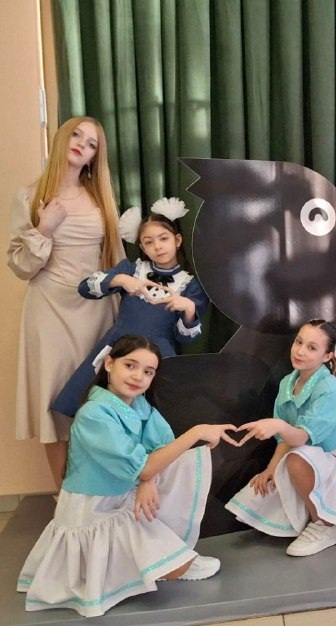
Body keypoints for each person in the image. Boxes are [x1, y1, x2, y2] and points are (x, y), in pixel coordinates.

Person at [17, 335, 236, 617]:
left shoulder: (140, 406)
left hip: (122, 495)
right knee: (170, 557)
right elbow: (145, 465)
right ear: (109, 364)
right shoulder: (94, 414)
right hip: (95, 506)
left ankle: (160, 558)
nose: (138, 377)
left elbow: (160, 449)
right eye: (130, 365)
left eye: (148, 371)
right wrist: (196, 432)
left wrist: (148, 481)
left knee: (178, 462)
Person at [8, 116, 124, 488]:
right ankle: (66, 498)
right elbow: (21, 266)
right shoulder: (30, 196)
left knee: (98, 397)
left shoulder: (101, 197)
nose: (81, 145)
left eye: (91, 143)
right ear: (61, 138)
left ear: (94, 157)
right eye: (76, 135)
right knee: (55, 403)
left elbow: (116, 259)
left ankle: (103, 494)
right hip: (49, 311)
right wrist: (45, 227)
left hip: (96, 309)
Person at [51, 197, 209, 418]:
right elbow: (85, 288)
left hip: (159, 355)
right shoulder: (131, 269)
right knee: (102, 408)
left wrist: (189, 309)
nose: (157, 246)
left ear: (178, 239)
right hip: (120, 348)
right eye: (148, 242)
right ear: (141, 247)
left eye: (163, 238)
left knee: (159, 414)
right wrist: (121, 280)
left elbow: (186, 338)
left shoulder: (190, 285)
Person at [226, 320, 336, 556]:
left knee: (295, 459)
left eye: (312, 348)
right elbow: (285, 439)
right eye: (299, 342)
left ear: (327, 356)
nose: (300, 351)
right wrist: (271, 468)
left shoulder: (329, 389)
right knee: (274, 477)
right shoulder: (287, 383)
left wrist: (279, 426)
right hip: (306, 459)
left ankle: (324, 525)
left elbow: (301, 436)